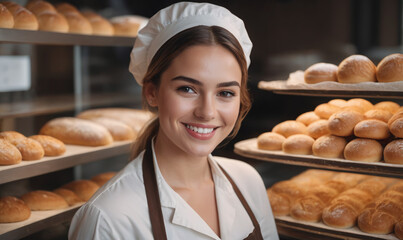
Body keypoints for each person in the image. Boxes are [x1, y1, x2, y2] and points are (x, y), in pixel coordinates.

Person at [68, 2, 278, 240]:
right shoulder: (108, 218)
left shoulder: (247, 182)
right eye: (187, 89)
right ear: (152, 92)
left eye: (225, 93)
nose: (207, 112)